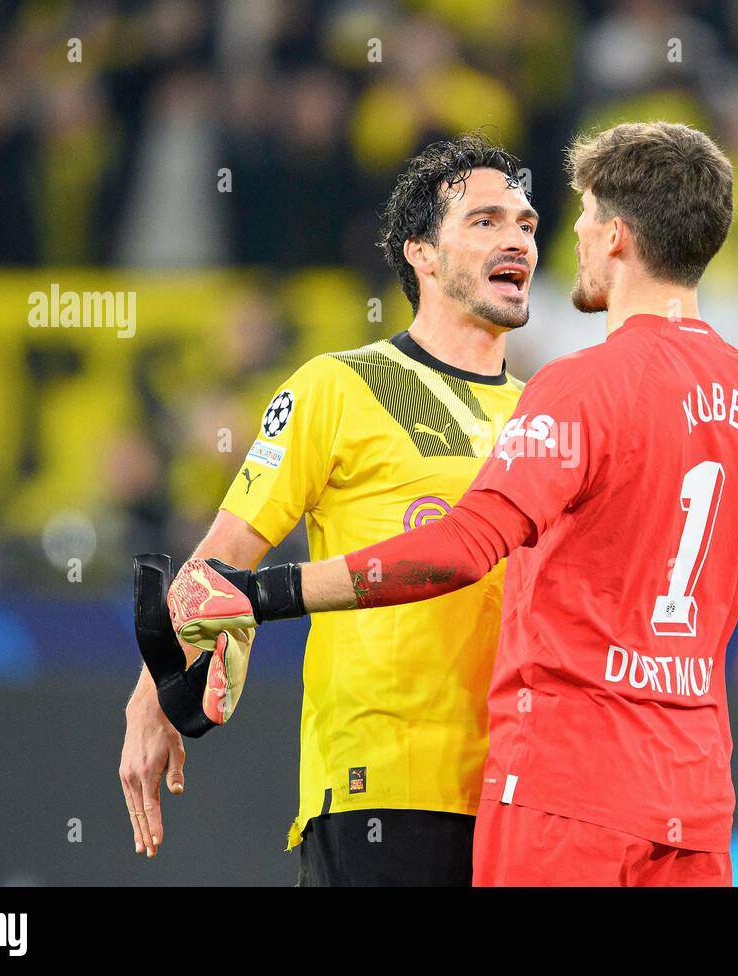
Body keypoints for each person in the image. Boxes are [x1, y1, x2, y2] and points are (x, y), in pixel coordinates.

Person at [172, 122, 738, 886]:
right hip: (693, 800)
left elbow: (462, 546)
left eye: (572, 218)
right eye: (494, 220)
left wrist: (263, 594)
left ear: (617, 238)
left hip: (562, 790)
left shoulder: (574, 390)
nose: (557, 236)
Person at [121, 133, 538, 885]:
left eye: (526, 223)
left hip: (526, 796)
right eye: (485, 220)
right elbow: (223, 558)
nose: (516, 237)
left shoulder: (547, 414)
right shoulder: (338, 386)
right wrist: (152, 695)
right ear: (422, 252)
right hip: (381, 783)